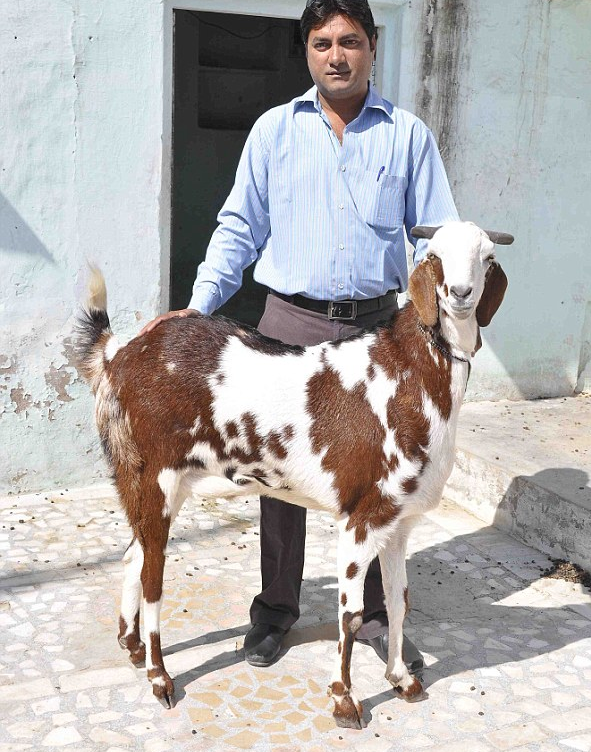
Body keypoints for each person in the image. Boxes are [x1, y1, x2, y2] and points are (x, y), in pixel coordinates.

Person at [141, 0, 458, 670]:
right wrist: (196, 308)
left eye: (349, 41)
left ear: (372, 45)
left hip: (379, 330)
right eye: (321, 43)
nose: (335, 56)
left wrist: (442, 331)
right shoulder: (273, 132)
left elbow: (437, 239)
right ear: (306, 51)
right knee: (278, 474)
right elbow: (238, 229)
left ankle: (375, 614)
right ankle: (276, 612)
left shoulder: (407, 136)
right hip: (288, 323)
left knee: (386, 475)